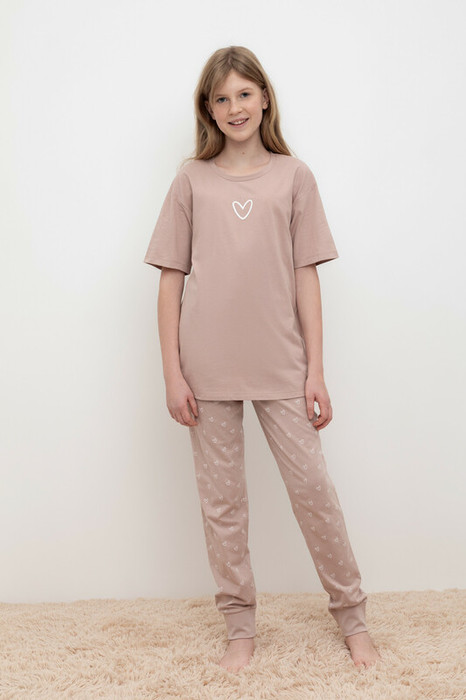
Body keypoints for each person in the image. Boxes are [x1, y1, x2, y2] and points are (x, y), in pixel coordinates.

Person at [143, 45, 382, 673]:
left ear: (265, 97)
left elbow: (306, 276)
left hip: (282, 364)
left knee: (314, 491)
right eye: (221, 98)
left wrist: (316, 370)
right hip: (206, 368)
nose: (234, 108)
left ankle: (353, 619)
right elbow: (170, 279)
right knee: (223, 506)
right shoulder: (191, 180)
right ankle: (240, 630)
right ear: (208, 109)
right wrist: (172, 373)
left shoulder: (294, 176)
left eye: (244, 94)